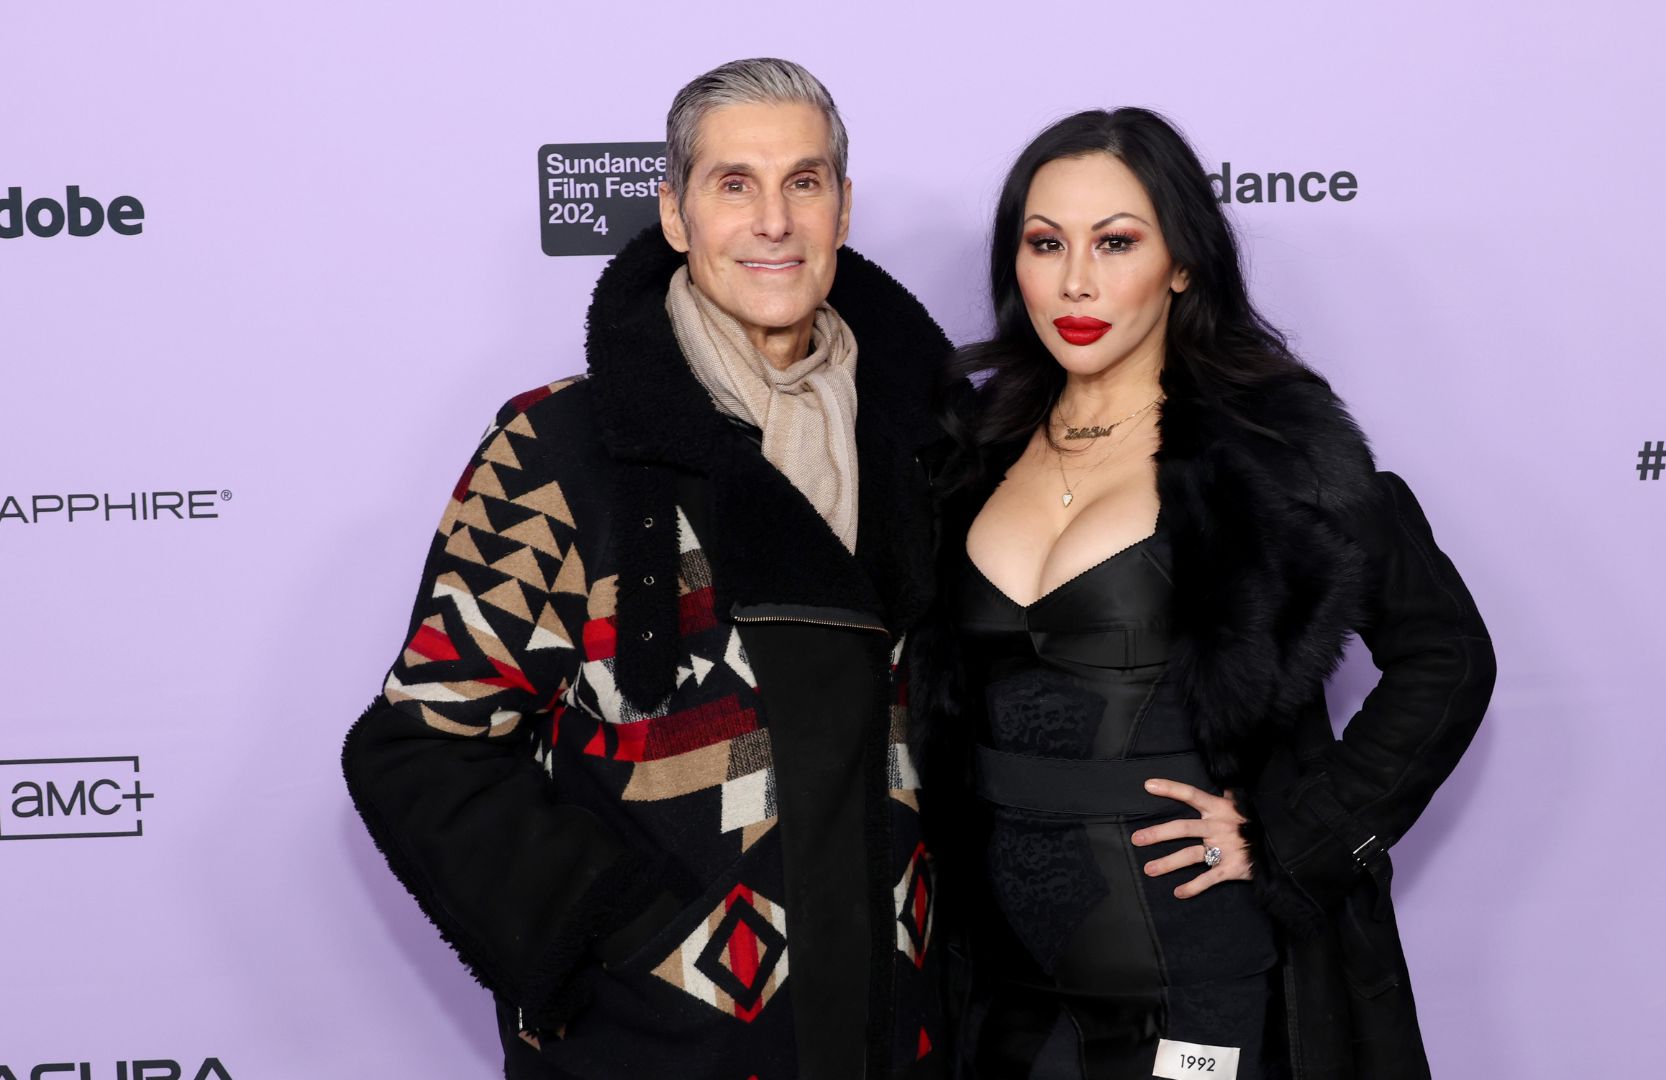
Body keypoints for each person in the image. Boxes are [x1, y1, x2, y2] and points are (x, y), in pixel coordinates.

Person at [343, 58, 949, 1080]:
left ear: (844, 210)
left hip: (902, 1034)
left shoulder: (934, 446)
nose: (773, 221)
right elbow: (419, 749)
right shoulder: (562, 450)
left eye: (804, 183)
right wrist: (613, 932)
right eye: (733, 184)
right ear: (674, 215)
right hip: (659, 1047)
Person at [915, 108, 1496, 1079]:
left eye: (1116, 242)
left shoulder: (1273, 455)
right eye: (1045, 243)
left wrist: (1296, 837)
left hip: (1195, 983)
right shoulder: (969, 451)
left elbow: (1448, 655)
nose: (1076, 281)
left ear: (1183, 262)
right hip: (1000, 998)